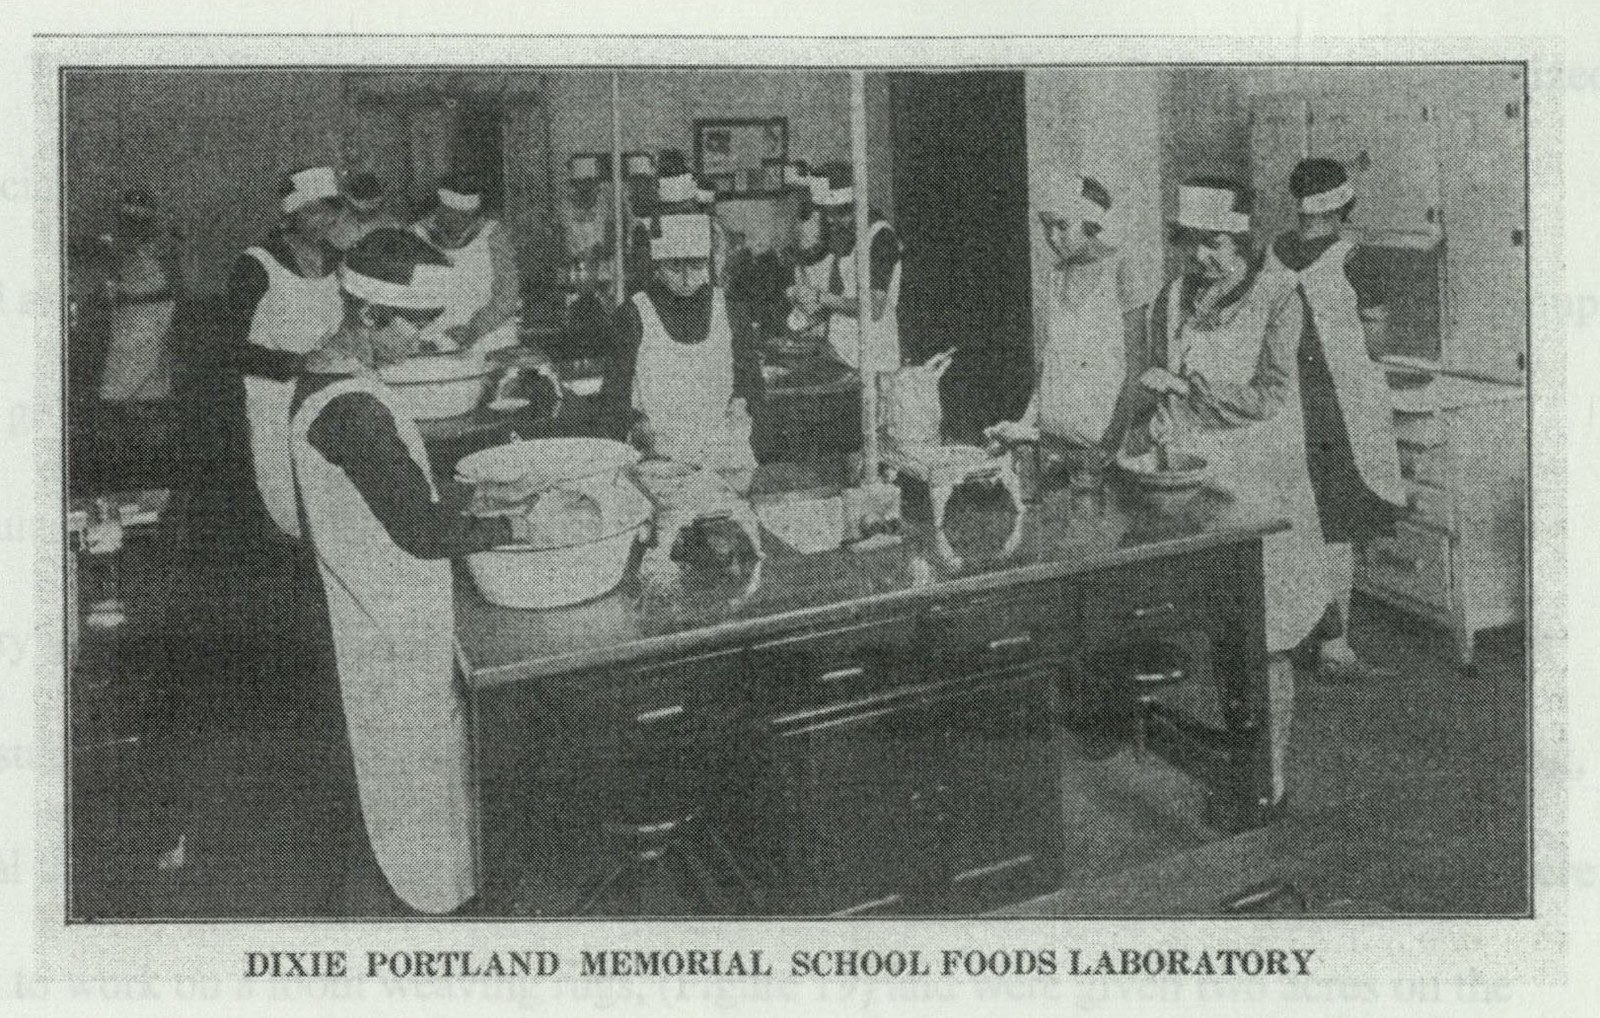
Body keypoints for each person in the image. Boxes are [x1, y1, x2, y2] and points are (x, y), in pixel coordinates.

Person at [289, 228, 547, 916]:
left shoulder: (329, 377)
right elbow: (422, 531)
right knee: (414, 780)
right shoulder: (352, 408)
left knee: (418, 774)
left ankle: (437, 892)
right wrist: (522, 525)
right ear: (369, 316)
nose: (426, 339)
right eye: (415, 324)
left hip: (383, 605)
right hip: (388, 621)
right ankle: (437, 916)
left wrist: (479, 496)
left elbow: (393, 494)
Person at [1138, 178, 1328, 817]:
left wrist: (1187, 390)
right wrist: (1164, 410)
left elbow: (1271, 394)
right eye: (1191, 244)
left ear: (1242, 239)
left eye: (1215, 244)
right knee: (1226, 633)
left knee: (1266, 637)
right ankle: (1239, 768)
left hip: (1262, 482)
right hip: (1200, 481)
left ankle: (1267, 783)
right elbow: (1161, 379)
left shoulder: (1279, 296)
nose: (1202, 258)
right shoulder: (1175, 297)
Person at [1268, 158, 1407, 681]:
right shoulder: (1357, 258)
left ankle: (1293, 628)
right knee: (1337, 525)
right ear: (1346, 205)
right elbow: (1374, 343)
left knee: (1293, 520)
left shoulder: (1272, 256)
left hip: (1281, 403)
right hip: (1335, 410)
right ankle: (1335, 645)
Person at [987, 175, 1152, 466]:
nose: (1052, 237)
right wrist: (1024, 425)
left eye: (1062, 226)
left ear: (1090, 225)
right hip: (1053, 435)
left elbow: (1138, 359)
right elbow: (1050, 358)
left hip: (1102, 436)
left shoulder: (1121, 268)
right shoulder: (1055, 275)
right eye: (1046, 226)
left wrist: (1116, 437)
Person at [221, 166, 344, 538]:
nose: (324, 220)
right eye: (312, 211)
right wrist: (296, 362)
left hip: (324, 394)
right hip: (272, 401)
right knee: (286, 499)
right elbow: (229, 348)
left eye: (330, 209)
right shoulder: (257, 264)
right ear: (290, 214)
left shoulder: (337, 261)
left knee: (330, 498)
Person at [601, 212, 760, 490]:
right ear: (657, 264)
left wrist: (740, 404)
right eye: (675, 267)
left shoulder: (731, 311)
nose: (687, 280)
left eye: (697, 266)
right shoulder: (633, 315)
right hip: (660, 460)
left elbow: (752, 383)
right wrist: (638, 426)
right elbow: (613, 398)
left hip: (725, 456)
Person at [787, 162, 902, 374]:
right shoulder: (845, 236)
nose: (830, 220)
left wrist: (820, 297)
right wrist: (804, 312)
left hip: (874, 357)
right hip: (842, 353)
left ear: (853, 206)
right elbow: (839, 296)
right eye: (827, 213)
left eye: (837, 213)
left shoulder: (880, 237)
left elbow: (874, 309)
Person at [412, 171, 522, 353]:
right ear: (440, 207)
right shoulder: (417, 235)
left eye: (467, 216)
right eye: (452, 214)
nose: (460, 223)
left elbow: (507, 294)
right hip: (434, 342)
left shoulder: (493, 234)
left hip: (490, 339)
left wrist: (475, 328)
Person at [97, 189, 181, 405]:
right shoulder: (116, 250)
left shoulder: (162, 252)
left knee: (151, 394)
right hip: (126, 332)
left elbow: (174, 292)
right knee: (120, 395)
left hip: (153, 328)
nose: (134, 226)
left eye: (140, 219)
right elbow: (110, 291)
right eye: (128, 219)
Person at [327, 172, 403, 253]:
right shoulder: (338, 227)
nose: (374, 207)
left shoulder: (390, 222)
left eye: (377, 202)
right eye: (369, 203)